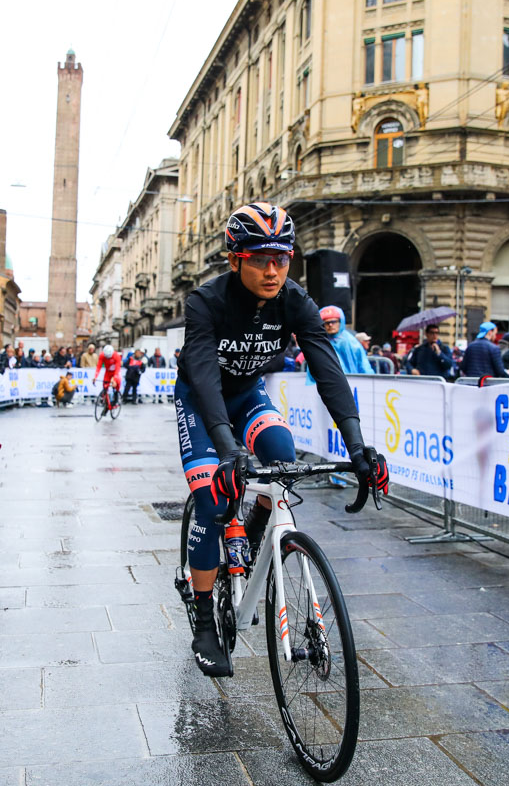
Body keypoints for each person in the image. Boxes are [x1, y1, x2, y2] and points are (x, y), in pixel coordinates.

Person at [178, 201, 389, 677]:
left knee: (281, 457)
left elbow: (327, 369)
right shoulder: (205, 302)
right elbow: (206, 379)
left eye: (282, 258)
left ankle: (252, 534)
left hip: (249, 395)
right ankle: (206, 618)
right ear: (235, 259)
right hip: (202, 401)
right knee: (212, 502)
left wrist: (356, 445)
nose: (273, 270)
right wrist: (228, 448)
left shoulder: (294, 300)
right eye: (259, 259)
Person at [306, 305, 374, 383]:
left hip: (350, 385)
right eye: (326, 322)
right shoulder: (318, 342)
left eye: (333, 322)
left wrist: (369, 381)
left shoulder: (351, 342)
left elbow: (364, 366)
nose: (330, 325)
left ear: (340, 321)